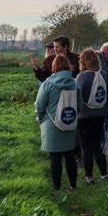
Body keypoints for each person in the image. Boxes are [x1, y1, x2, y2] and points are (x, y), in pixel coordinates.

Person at [34, 54, 82, 190]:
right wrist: (71, 117)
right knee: (69, 155)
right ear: (68, 67)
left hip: (51, 124)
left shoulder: (47, 84)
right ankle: (73, 185)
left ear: (54, 67)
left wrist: (41, 118)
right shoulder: (75, 83)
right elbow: (79, 106)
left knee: (54, 157)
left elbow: (39, 105)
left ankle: (57, 187)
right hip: (70, 123)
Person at [76, 48, 108, 184]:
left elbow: (77, 96)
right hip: (100, 114)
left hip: (84, 116)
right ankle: (104, 174)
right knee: (97, 146)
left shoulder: (82, 76)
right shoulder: (104, 75)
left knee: (85, 147)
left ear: (83, 61)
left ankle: (89, 177)